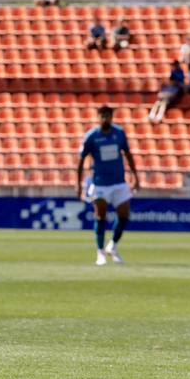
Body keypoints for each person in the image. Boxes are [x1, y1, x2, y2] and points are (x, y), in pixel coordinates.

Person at [77, 106, 140, 266]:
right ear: (98, 117)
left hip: (119, 182)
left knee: (124, 215)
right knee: (100, 216)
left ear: (112, 117)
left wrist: (135, 176)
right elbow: (81, 160)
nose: (105, 119)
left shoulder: (119, 133)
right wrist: (78, 184)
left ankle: (112, 245)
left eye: (108, 116)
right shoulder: (91, 137)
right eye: (102, 116)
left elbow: (128, 154)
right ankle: (100, 252)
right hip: (100, 183)